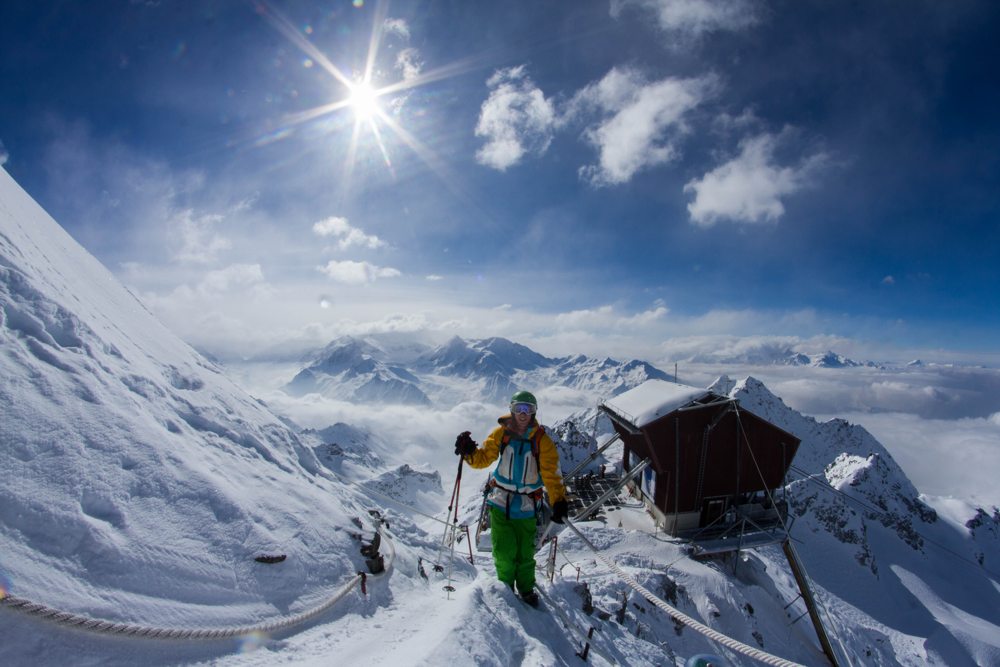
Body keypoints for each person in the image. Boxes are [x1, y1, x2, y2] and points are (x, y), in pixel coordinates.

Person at [454, 390, 568, 607]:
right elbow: (483, 459)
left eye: (528, 409)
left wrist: (559, 501)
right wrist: (469, 452)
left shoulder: (542, 441)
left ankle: (526, 589)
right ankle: (505, 588)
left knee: (525, 553)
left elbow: (551, 474)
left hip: (526, 506)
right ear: (512, 410)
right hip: (500, 502)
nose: (523, 414)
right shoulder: (501, 434)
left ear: (534, 412)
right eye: (519, 409)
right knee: (504, 552)